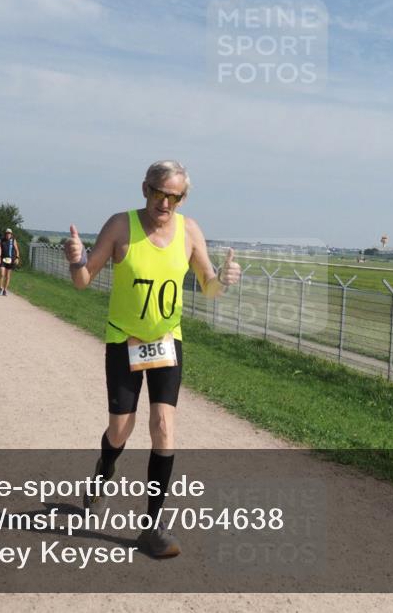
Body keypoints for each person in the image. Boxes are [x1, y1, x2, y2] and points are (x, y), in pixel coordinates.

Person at [65, 160, 241, 558]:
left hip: (166, 341)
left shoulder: (189, 231)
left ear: (183, 197)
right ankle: (102, 474)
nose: (165, 203)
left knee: (163, 425)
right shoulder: (119, 226)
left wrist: (224, 282)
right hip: (123, 340)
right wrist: (76, 259)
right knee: (120, 432)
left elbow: (208, 287)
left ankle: (152, 525)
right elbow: (82, 281)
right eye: (159, 193)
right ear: (144, 188)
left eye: (174, 196)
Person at [0, 228, 20, 296]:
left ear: (11, 234)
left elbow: (17, 250)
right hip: (3, 259)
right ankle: (0, 288)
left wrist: (17, 258)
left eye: (9, 233)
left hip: (11, 260)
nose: (8, 234)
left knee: (8, 276)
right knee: (2, 274)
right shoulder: (2, 240)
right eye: (7, 233)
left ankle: (5, 290)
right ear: (5, 234)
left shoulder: (13, 241)